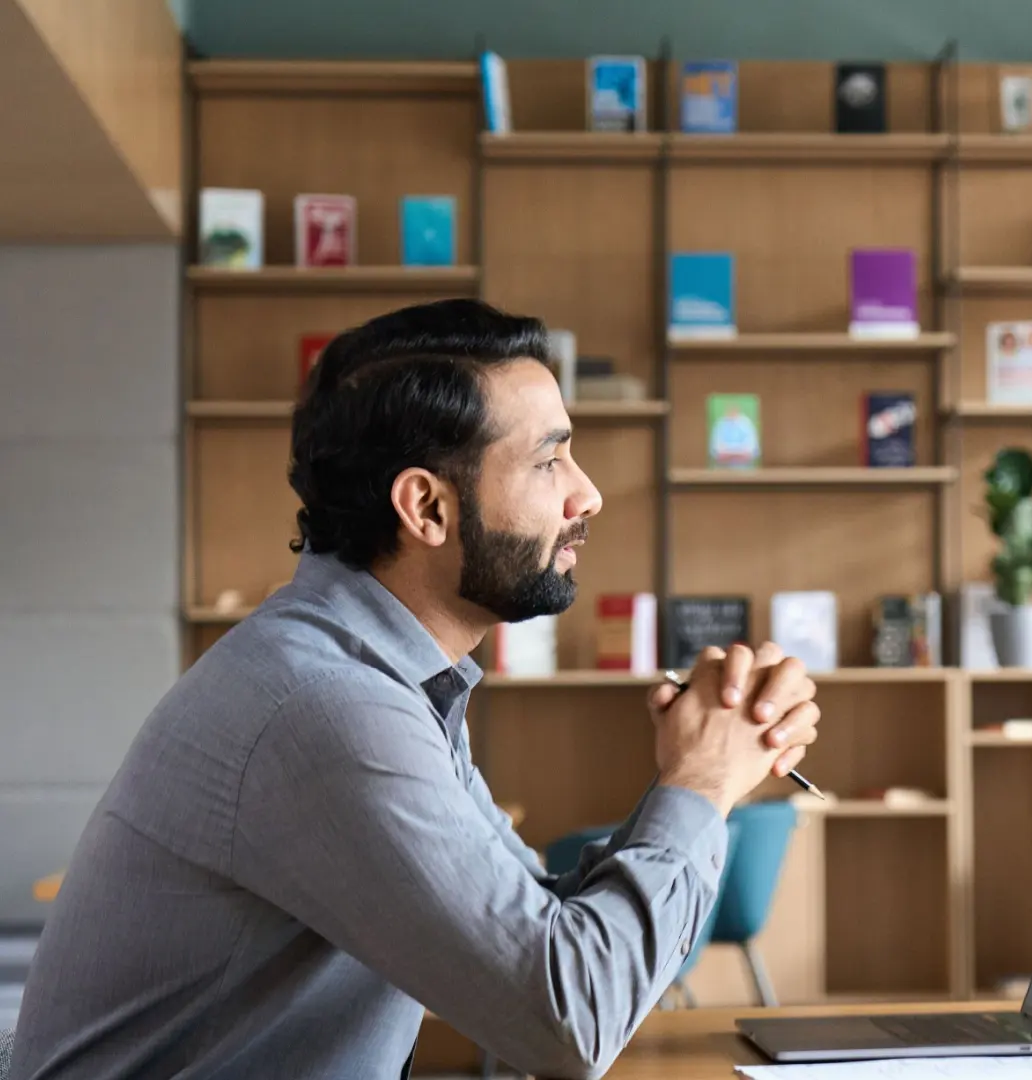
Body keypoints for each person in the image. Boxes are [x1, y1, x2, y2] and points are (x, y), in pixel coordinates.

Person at [12, 299, 822, 1080]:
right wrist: (701, 782)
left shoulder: (383, 678)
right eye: (548, 461)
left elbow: (538, 931)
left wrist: (702, 768)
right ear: (426, 507)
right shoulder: (327, 707)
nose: (588, 494)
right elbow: (567, 1022)